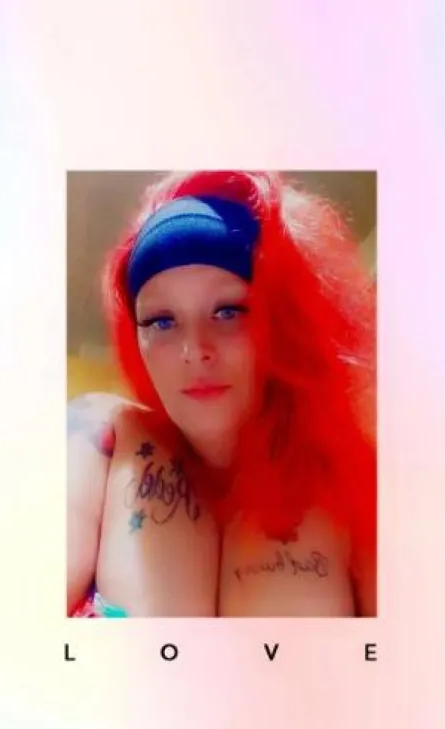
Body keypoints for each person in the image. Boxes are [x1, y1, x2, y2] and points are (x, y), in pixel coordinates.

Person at [67, 170, 376, 618]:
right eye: (161, 321)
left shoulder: (359, 484)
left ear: (282, 322)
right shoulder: (101, 437)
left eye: (228, 312)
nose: (195, 351)